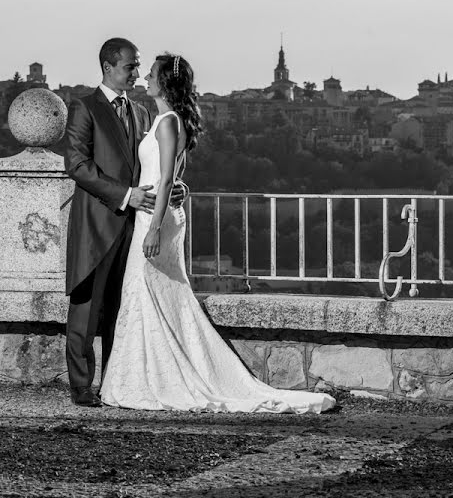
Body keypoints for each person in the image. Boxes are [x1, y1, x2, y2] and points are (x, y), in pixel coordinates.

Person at [100, 54, 335, 413]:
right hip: (158, 212)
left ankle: (151, 379)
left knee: (147, 293)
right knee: (155, 297)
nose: (144, 78)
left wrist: (155, 228)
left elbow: (164, 179)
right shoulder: (169, 120)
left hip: (155, 218)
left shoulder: (166, 122)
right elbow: (171, 177)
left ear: (165, 83)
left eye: (151, 74)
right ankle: (145, 375)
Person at [63, 38, 186, 407]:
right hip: (97, 224)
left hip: (133, 230)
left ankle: (115, 382)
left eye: (137, 67)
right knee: (85, 311)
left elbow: (155, 168)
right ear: (107, 67)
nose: (136, 72)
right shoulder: (84, 107)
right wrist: (124, 195)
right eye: (130, 66)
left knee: (120, 311)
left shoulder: (142, 114)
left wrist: (175, 187)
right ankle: (81, 387)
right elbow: (77, 165)